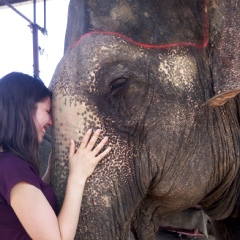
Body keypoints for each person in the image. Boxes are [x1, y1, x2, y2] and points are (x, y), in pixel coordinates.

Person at [0, 72, 111, 240]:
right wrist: (77, 177)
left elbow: (23, 211)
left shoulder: (9, 165)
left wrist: (51, 170)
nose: (51, 121)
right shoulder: (12, 168)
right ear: (25, 108)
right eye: (47, 110)